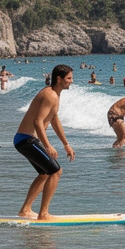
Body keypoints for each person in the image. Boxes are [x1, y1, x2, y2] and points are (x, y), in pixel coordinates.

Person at [12, 65, 76, 220]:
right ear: (59, 79)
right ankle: (44, 214)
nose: (72, 81)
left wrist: (66, 144)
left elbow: (54, 119)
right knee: (56, 171)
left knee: (44, 173)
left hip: (24, 139)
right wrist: (47, 146)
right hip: (27, 139)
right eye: (69, 78)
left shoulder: (54, 94)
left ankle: (25, 210)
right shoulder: (50, 95)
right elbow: (37, 122)